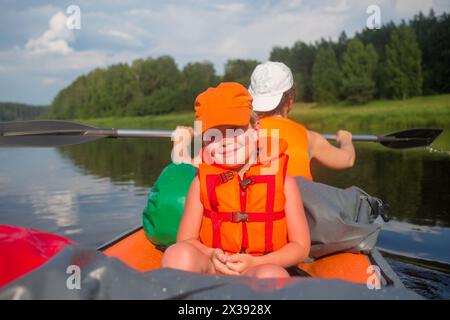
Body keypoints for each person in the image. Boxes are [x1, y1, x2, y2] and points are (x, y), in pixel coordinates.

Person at [162, 82, 310, 278]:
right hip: (215, 268)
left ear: (256, 129)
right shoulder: (200, 183)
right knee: (176, 254)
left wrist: (256, 262)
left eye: (234, 129)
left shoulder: (284, 182)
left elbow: (300, 247)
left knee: (271, 275)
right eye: (214, 136)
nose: (225, 141)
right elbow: (186, 239)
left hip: (261, 266)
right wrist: (211, 254)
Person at [249, 61, 356, 179]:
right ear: (289, 101)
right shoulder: (309, 138)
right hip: (294, 197)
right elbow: (348, 159)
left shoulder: (238, 134)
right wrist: (345, 139)